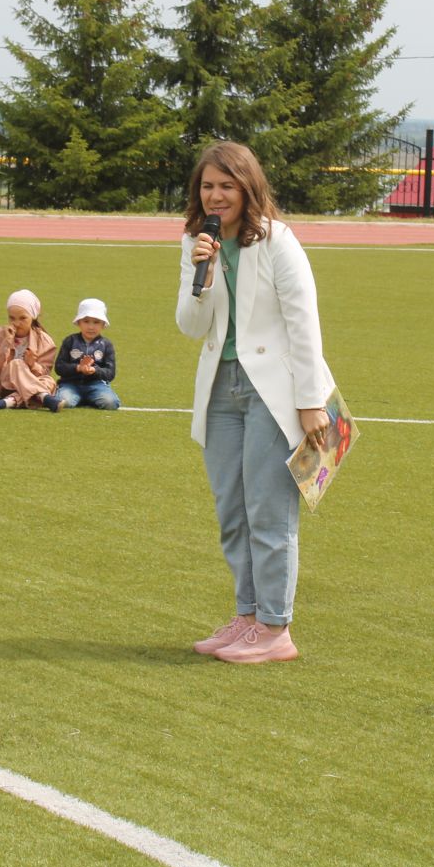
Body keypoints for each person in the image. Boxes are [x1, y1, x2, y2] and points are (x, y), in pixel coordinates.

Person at [177, 140, 335, 665]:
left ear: (248, 187)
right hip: (220, 389)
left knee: (269, 511)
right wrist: (200, 278)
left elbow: (303, 322)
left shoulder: (277, 241)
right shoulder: (197, 242)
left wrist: (311, 402)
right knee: (232, 510)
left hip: (275, 391)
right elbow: (190, 326)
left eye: (227, 185)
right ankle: (246, 616)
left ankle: (274, 628)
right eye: (207, 186)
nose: (216, 196)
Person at [0, 288, 56, 411]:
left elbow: (45, 372)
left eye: (22, 318)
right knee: (16, 363)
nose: (16, 323)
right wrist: (6, 343)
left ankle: (6, 403)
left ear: (32, 317)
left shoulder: (44, 340)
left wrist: (32, 365)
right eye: (12, 318)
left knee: (49, 381)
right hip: (3, 384)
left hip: (29, 384)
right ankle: (43, 396)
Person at [50, 297, 120, 411]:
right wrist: (78, 368)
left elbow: (110, 373)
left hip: (96, 385)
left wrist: (95, 370)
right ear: (78, 322)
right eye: (86, 321)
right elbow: (59, 367)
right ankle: (81, 397)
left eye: (96, 322)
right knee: (63, 400)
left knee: (111, 403)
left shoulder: (106, 345)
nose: (91, 327)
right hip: (70, 384)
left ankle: (89, 396)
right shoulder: (70, 341)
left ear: (103, 324)